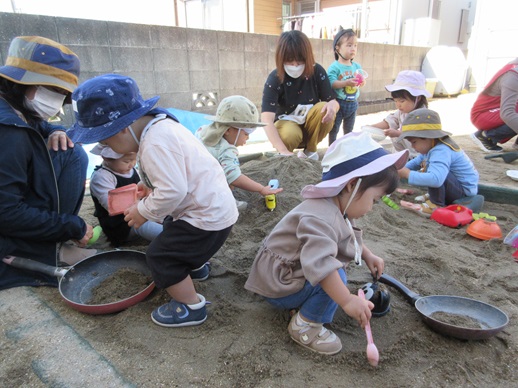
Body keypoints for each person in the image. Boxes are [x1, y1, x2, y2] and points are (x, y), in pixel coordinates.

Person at [67, 74, 238, 327]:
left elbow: (173, 191)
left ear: (122, 127)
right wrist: (148, 185)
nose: (109, 147)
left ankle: (191, 307)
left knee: (160, 255)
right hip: (213, 210)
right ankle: (197, 267)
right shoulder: (161, 125)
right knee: (171, 230)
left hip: (205, 218)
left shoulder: (154, 143)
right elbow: (178, 170)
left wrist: (143, 210)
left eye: (106, 140)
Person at [245, 132, 408, 355]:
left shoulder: (336, 207)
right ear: (352, 185)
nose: (372, 207)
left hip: (286, 271)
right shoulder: (320, 217)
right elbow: (320, 264)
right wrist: (347, 300)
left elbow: (345, 234)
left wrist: (367, 254)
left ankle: (303, 304)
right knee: (335, 274)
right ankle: (306, 326)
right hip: (279, 284)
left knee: (334, 272)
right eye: (375, 199)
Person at [0, 36, 95, 290]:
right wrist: (71, 225)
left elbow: (40, 125)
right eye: (55, 92)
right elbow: (6, 212)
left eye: (63, 96)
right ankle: (48, 248)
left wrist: (55, 130)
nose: (57, 102)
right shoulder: (9, 132)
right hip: (6, 223)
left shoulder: (15, 109)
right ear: (23, 83)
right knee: (73, 156)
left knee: (68, 148)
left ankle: (53, 241)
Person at [261, 30, 339, 160]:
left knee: (323, 107)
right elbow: (266, 119)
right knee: (290, 134)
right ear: (281, 59)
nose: (295, 66)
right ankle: (286, 157)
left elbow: (333, 101)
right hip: (287, 125)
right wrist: (282, 150)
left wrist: (333, 106)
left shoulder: (317, 71)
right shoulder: (275, 78)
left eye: (300, 61)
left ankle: (310, 151)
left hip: (311, 128)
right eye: (290, 62)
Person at [196, 95, 283, 211]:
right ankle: (225, 202)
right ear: (228, 130)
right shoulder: (227, 150)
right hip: (205, 192)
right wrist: (261, 189)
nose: (247, 138)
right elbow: (235, 178)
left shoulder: (202, 131)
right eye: (247, 133)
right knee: (229, 172)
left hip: (192, 181)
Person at [397, 108, 483, 214]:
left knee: (433, 171)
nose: (412, 146)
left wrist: (408, 174)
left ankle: (436, 204)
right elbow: (416, 162)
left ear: (427, 137)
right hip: (456, 185)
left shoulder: (441, 150)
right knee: (431, 167)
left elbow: (436, 179)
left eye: (414, 142)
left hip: (463, 193)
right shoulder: (431, 147)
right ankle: (436, 196)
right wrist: (401, 168)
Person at [89, 144, 163, 246]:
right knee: (144, 225)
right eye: (127, 161)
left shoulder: (130, 169)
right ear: (107, 158)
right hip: (120, 226)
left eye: (134, 159)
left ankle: (177, 229)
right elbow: (111, 205)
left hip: (140, 212)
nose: (132, 164)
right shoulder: (101, 177)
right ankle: (170, 238)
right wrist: (139, 200)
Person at [368, 70, 431, 159]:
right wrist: (371, 127)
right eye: (396, 101)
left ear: (418, 98)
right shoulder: (402, 112)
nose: (398, 104)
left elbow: (415, 132)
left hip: (417, 156)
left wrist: (398, 133)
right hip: (403, 153)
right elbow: (391, 120)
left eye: (402, 101)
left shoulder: (423, 115)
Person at [470, 58, 518, 153]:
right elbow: (507, 114)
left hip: (497, 111)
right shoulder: (512, 77)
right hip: (483, 114)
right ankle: (486, 136)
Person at [327, 28, 366, 145]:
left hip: (353, 103)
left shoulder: (357, 66)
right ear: (337, 48)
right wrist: (346, 83)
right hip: (339, 103)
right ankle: (332, 148)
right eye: (349, 45)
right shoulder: (335, 67)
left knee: (349, 130)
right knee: (334, 129)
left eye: (355, 45)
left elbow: (361, 81)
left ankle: (347, 148)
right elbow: (331, 83)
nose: (353, 48)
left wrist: (362, 82)